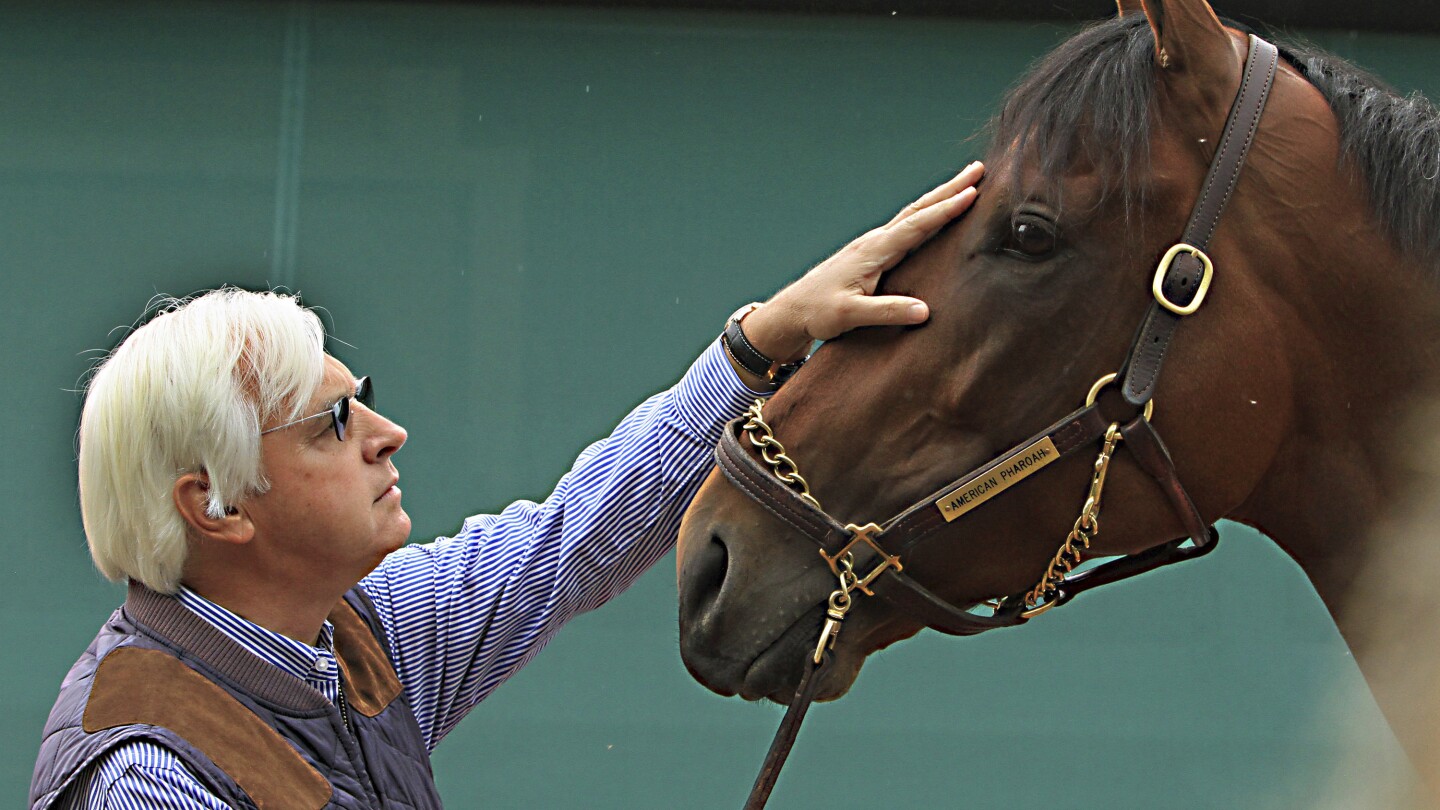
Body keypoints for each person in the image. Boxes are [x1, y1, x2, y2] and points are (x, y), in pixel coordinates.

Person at [30, 163, 984, 809]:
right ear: (218, 506)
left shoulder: (353, 627)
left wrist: (764, 339)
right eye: (334, 422)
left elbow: (573, 539)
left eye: (364, 400)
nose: (387, 433)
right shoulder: (145, 774)